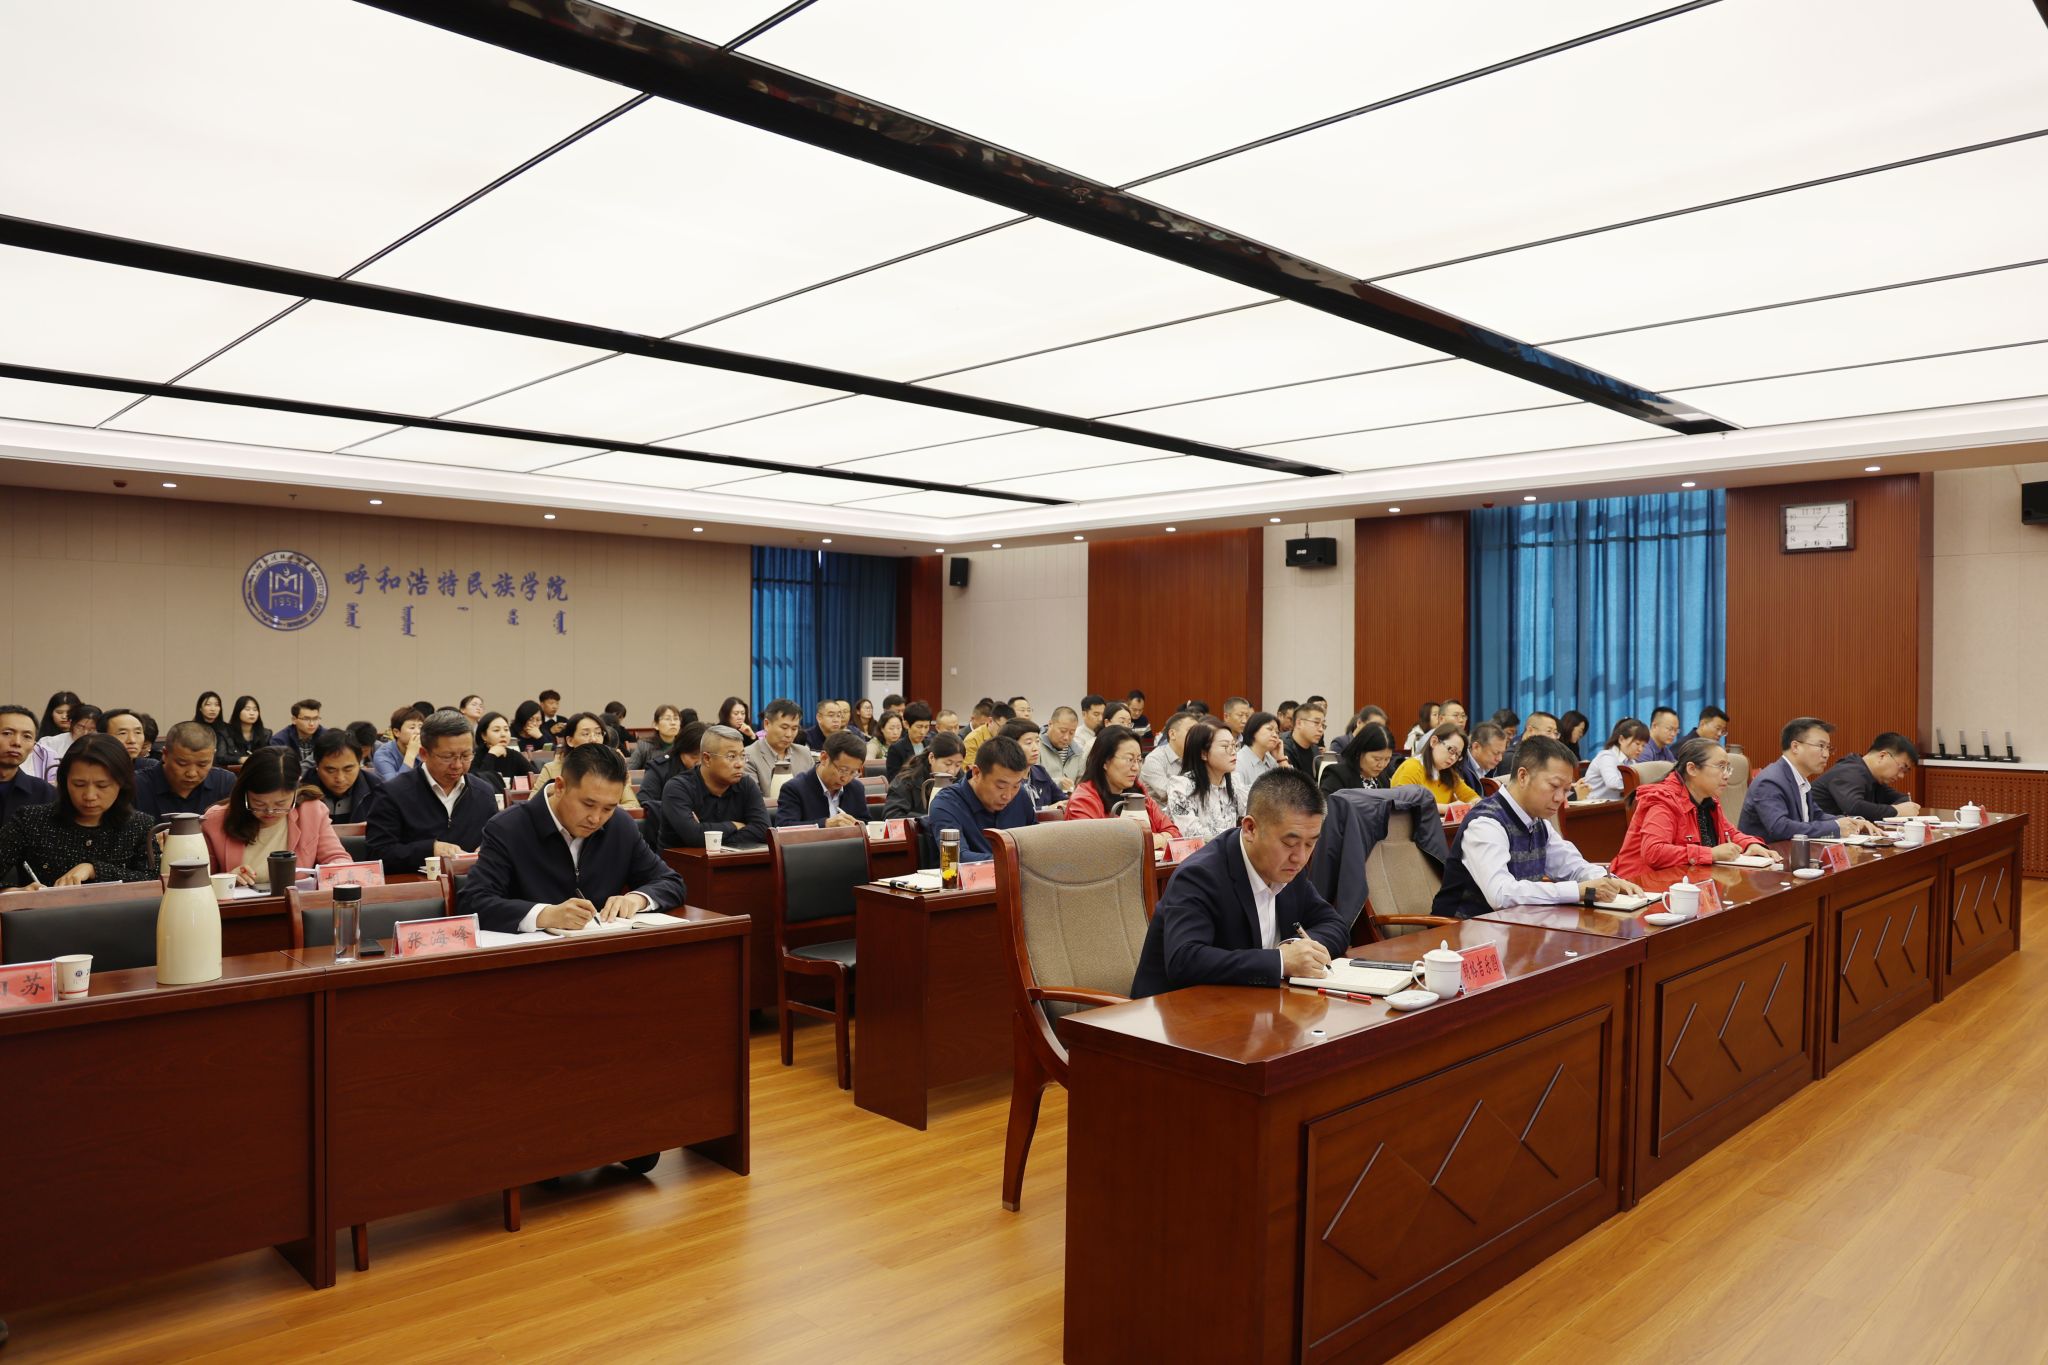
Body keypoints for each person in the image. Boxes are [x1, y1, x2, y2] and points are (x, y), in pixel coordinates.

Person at [1130, 769, 1348, 996]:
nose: (1300, 857)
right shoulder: (1199, 876)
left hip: (1254, 1003)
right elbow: (1184, 960)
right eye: (1289, 843)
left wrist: (1301, 950)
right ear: (1250, 828)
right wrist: (1280, 961)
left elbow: (1334, 925)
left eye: (1310, 844)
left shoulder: (1288, 869)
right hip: (1178, 1009)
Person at [461, 740, 686, 934]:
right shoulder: (508, 828)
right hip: (535, 957)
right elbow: (474, 902)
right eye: (588, 804)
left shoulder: (619, 825)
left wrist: (636, 899)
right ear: (560, 786)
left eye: (608, 808)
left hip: (604, 948)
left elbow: (670, 882)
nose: (596, 818)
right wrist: (545, 915)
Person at [1433, 736, 1641, 917]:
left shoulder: (1537, 822)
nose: (1560, 798)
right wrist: (1578, 890)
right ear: (1523, 776)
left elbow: (1573, 866)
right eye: (1554, 786)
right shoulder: (1486, 823)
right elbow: (1501, 895)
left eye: (1566, 790)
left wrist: (1607, 880)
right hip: (1463, 935)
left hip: (1515, 928)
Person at [0, 735, 158, 887]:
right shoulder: (30, 820)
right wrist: (11, 891)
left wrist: (94, 870)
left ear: (122, 783)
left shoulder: (139, 825)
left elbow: (153, 880)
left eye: (102, 786)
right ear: (64, 781)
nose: (89, 796)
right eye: (79, 784)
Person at [1610, 737, 1778, 880]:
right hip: (1641, 887)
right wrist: (1711, 854)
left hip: (1686, 882)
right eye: (1721, 767)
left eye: (1728, 768)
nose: (1727, 775)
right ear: (1692, 769)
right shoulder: (1663, 799)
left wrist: (1750, 844)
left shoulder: (1708, 799)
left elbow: (1729, 832)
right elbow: (1654, 852)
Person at [365, 709, 496, 873]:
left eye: (465, 755)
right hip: (416, 885)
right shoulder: (392, 793)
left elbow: (496, 842)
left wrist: (488, 850)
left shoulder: (483, 793)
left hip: (473, 883)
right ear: (423, 754)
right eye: (447, 757)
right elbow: (377, 854)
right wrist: (430, 849)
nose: (457, 765)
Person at [199, 748, 349, 888]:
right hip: (239, 905)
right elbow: (199, 879)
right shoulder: (215, 820)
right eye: (259, 803)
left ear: (295, 790)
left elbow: (337, 858)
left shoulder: (312, 811)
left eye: (280, 803)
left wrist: (334, 870)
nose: (270, 811)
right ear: (244, 793)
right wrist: (227, 879)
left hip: (297, 903)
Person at [1740, 718, 1884, 843]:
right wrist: (1836, 827)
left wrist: (1853, 822)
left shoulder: (1798, 778)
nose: (1826, 754)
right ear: (1795, 747)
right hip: (1768, 859)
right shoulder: (1770, 781)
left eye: (1828, 748)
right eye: (1821, 746)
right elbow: (1780, 828)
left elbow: (1816, 815)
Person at [1065, 725, 1182, 849]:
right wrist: (1149, 840)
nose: (1136, 768)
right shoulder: (1083, 800)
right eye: (1129, 759)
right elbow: (1095, 848)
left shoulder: (1138, 793)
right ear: (1105, 762)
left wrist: (1155, 840)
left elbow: (1174, 833)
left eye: (1139, 760)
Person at [924, 735, 1037, 862]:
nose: (1008, 796)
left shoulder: (1021, 796)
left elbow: (1036, 843)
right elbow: (956, 857)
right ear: (976, 773)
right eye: (1000, 786)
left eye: (1015, 785)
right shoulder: (946, 804)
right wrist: (1012, 861)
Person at [661, 724, 769, 849]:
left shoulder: (746, 784)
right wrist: (734, 825)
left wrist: (710, 837)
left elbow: (763, 830)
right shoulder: (678, 788)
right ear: (707, 758)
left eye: (742, 756)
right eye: (731, 756)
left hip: (735, 858)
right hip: (684, 860)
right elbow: (694, 836)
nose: (740, 764)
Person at [533, 713, 641, 808]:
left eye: (598, 733)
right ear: (570, 741)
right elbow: (533, 804)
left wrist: (606, 810)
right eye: (586, 734)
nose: (593, 739)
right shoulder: (552, 769)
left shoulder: (614, 768)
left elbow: (632, 805)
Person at [135, 720, 236, 818]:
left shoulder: (225, 783)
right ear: (165, 754)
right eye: (182, 764)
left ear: (213, 755)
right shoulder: (137, 786)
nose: (192, 773)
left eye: (202, 764)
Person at [1167, 722, 1249, 840]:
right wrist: (1238, 834)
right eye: (1225, 746)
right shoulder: (1181, 787)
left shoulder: (1234, 782)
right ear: (1204, 754)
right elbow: (1192, 834)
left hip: (1230, 847)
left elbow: (1252, 814)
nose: (1233, 752)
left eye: (1234, 745)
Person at [1814, 732, 1922, 820]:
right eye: (1902, 767)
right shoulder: (1849, 771)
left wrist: (1903, 808)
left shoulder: (1873, 777)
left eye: (1905, 771)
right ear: (1882, 756)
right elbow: (1854, 808)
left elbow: (1902, 799)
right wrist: (1896, 811)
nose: (1901, 776)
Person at [776, 731, 870, 828]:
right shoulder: (794, 789)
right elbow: (784, 827)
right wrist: (825, 824)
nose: (845, 779)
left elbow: (865, 823)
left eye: (853, 772)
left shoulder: (856, 788)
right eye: (843, 770)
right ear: (824, 758)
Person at [1390, 723, 1479, 814]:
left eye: (1458, 755)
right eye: (1452, 750)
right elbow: (1405, 804)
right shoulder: (1412, 767)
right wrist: (1447, 808)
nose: (1453, 758)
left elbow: (1471, 797)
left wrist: (1475, 802)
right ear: (1434, 742)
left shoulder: (1450, 774)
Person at [305, 729, 384, 823]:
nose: (340, 778)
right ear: (317, 766)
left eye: (348, 769)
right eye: (331, 770)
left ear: (359, 763)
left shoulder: (378, 790)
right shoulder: (301, 793)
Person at [884, 731, 964, 819]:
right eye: (948, 764)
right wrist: (928, 820)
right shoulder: (907, 780)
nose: (952, 771)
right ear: (931, 758)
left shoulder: (961, 780)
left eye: (958, 765)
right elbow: (893, 816)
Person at [745, 698, 815, 798]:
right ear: (767, 724)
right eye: (784, 727)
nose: (789, 734)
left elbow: (813, 791)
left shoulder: (804, 753)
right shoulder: (749, 755)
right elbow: (753, 799)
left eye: (794, 728)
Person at [0, 702, 55, 823]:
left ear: (33, 746)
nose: (17, 742)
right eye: (7, 733)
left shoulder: (45, 793)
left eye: (27, 736)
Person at [639, 720, 705, 815]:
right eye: (694, 756)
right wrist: (679, 809)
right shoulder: (659, 768)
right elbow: (645, 801)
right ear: (682, 749)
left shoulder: (713, 768)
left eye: (704, 757)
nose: (700, 762)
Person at [997, 718, 1064, 811]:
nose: (1035, 748)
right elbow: (1013, 813)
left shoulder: (1040, 772)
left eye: (1037, 741)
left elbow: (1062, 800)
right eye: (1028, 743)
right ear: (1011, 746)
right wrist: (1047, 809)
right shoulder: (1003, 778)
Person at [1577, 718, 1649, 802]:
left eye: (1643, 746)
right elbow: (1613, 783)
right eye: (1637, 744)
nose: (1640, 749)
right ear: (1621, 739)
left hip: (1616, 805)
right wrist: (1640, 783)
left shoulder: (1631, 761)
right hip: (1594, 805)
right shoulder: (1606, 757)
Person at [25, 703, 100, 782]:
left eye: (92, 729)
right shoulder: (49, 743)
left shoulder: (102, 745)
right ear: (71, 723)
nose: (85, 733)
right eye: (80, 727)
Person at [1321, 722, 1396, 795]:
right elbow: (1327, 802)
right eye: (1376, 759)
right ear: (1360, 752)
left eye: (1387, 759)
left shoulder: (1383, 778)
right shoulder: (1337, 775)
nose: (1381, 765)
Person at [1140, 711, 1197, 804]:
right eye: (1191, 731)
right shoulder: (1154, 759)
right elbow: (1170, 794)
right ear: (1172, 734)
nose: (1196, 736)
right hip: (1160, 812)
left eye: (1197, 732)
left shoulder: (1197, 756)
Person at [473, 711, 536, 793]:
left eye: (506, 729)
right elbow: (477, 784)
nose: (503, 734)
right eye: (496, 730)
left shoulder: (513, 755)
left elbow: (536, 778)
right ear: (484, 736)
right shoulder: (474, 755)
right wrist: (491, 755)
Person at [1494, 711, 1559, 778]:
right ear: (1530, 730)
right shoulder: (1511, 757)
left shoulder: (1548, 756)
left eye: (1555, 733)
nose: (1554, 737)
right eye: (1549, 731)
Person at [1038, 706, 1087, 791]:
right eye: (1062, 731)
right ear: (1050, 724)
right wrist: (1057, 782)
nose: (1066, 737)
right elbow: (1031, 781)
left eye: (1071, 733)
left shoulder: (1078, 752)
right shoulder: (1036, 746)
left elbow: (1082, 783)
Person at [371, 706, 425, 782]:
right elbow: (395, 785)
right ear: (397, 732)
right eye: (412, 728)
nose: (418, 732)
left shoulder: (426, 749)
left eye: (420, 727)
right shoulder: (383, 754)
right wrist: (411, 754)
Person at [273, 698, 327, 774]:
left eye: (315, 719)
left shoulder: (327, 737)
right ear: (294, 720)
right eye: (306, 719)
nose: (312, 723)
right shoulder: (279, 740)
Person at [102, 707, 157, 778]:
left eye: (137, 732)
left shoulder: (151, 768)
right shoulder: (92, 769)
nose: (132, 740)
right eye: (123, 733)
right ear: (103, 737)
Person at [628, 705, 684, 770]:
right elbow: (629, 771)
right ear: (656, 725)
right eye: (667, 719)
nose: (673, 723)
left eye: (676, 719)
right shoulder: (644, 746)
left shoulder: (684, 746)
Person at [1457, 721, 1507, 793]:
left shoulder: (1492, 767)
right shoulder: (1459, 770)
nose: (1500, 759)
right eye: (1496, 753)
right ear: (1476, 747)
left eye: (1502, 753)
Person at [1236, 710, 1285, 782]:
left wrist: (1281, 759)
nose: (1275, 735)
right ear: (1254, 730)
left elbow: (1291, 785)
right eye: (1270, 729)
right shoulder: (1238, 762)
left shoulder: (1271, 760)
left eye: (1277, 732)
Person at [962, 701, 1014, 768]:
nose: (1004, 732)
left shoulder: (1010, 737)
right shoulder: (972, 739)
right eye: (1001, 728)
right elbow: (969, 770)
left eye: (1007, 729)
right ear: (990, 721)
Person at [222, 694, 270, 765]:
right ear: (238, 712)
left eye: (255, 710)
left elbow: (269, 756)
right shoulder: (226, 733)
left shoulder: (266, 734)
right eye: (247, 709)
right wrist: (239, 759)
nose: (252, 713)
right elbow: (221, 757)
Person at [887, 703, 930, 779]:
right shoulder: (896, 749)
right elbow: (894, 780)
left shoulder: (931, 746)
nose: (923, 732)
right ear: (906, 724)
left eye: (926, 727)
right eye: (919, 727)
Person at [1281, 703, 1327, 773]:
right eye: (1316, 722)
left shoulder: (1316, 751)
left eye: (1323, 725)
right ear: (1299, 723)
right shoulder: (1282, 747)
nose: (1321, 730)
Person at [193, 691, 234, 757]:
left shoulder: (227, 729)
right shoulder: (192, 729)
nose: (213, 709)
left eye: (216, 705)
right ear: (200, 708)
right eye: (208, 704)